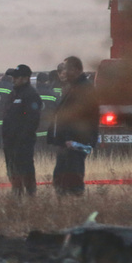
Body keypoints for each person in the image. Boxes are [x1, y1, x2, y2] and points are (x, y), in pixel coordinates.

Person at [48, 56, 99, 196]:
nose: (63, 72)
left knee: (73, 182)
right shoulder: (74, 88)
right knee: (60, 180)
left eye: (66, 69)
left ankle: (75, 210)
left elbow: (86, 118)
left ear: (76, 70)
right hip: (67, 144)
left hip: (75, 144)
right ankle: (65, 211)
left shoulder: (84, 89)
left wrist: (74, 140)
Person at [2, 64, 42, 196]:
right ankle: (16, 196)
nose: (13, 79)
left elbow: (32, 120)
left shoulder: (31, 95)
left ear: (25, 78)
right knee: (12, 171)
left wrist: (22, 139)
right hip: (10, 143)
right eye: (13, 77)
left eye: (16, 77)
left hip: (23, 143)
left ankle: (31, 196)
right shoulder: (14, 93)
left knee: (26, 171)